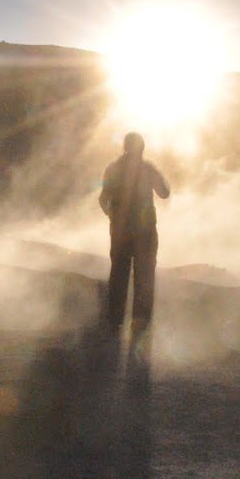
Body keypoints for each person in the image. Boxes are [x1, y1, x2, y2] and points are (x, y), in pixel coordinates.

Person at [99, 131, 170, 344]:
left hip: (120, 231)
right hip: (146, 231)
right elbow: (165, 192)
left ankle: (115, 321)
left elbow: (103, 199)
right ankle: (140, 323)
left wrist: (113, 218)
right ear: (141, 148)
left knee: (119, 275)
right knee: (145, 276)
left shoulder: (113, 169)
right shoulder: (147, 169)